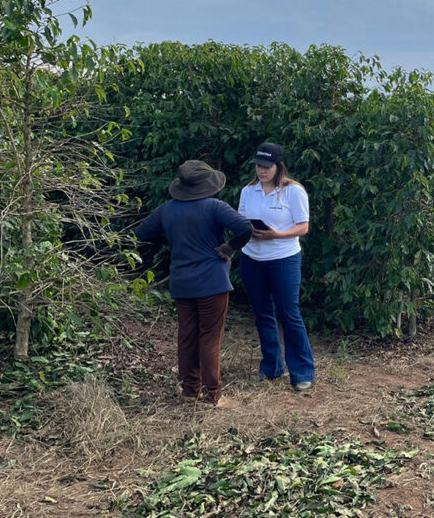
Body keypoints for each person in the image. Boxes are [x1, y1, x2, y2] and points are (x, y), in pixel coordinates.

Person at [135, 160, 252, 407]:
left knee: (186, 336)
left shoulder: (167, 210)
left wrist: (171, 244)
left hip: (182, 282)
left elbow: (141, 234)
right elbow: (244, 228)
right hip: (212, 282)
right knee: (209, 337)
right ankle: (213, 395)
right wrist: (229, 248)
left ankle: (190, 391)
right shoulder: (214, 207)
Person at [238, 142, 316, 392]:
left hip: (284, 258)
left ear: (278, 167)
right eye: (258, 166)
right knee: (263, 314)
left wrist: (277, 235)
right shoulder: (248, 191)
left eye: (266, 167)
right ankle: (271, 366)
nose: (261, 171)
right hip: (252, 258)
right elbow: (240, 220)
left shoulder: (293, 192)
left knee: (288, 313)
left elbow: (303, 227)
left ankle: (302, 372)